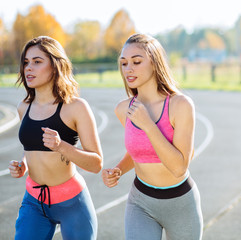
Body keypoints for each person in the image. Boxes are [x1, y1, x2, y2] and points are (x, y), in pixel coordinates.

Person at [101, 33, 203, 240]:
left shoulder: (180, 105)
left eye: (136, 61)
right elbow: (141, 151)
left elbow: (179, 167)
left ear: (155, 64)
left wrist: (147, 124)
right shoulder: (123, 109)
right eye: (124, 63)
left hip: (181, 203)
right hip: (141, 202)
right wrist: (119, 169)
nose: (128, 68)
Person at [8, 36, 103, 240]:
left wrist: (62, 147)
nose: (29, 68)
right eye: (26, 62)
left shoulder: (76, 107)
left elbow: (96, 164)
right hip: (34, 201)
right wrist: (23, 163)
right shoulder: (23, 107)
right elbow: (32, 147)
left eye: (37, 61)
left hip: (72, 203)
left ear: (55, 66)